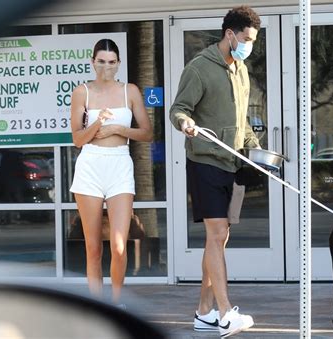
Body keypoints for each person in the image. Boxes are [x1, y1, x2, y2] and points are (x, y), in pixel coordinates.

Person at [169, 5, 261, 338]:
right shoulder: (199, 68)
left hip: (233, 161)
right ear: (230, 34)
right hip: (205, 159)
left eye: (253, 40)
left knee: (220, 240)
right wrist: (185, 123)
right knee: (216, 234)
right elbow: (177, 109)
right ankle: (225, 314)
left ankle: (203, 311)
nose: (249, 45)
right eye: (247, 38)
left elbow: (243, 121)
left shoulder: (241, 70)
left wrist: (257, 150)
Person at [69, 39, 152, 305]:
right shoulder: (82, 92)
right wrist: (99, 123)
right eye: (101, 61)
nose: (106, 66)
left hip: (119, 164)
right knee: (93, 248)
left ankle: (117, 302)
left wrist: (117, 129)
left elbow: (147, 133)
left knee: (118, 246)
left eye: (112, 61)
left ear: (118, 64)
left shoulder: (130, 91)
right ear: (93, 62)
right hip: (91, 164)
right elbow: (78, 140)